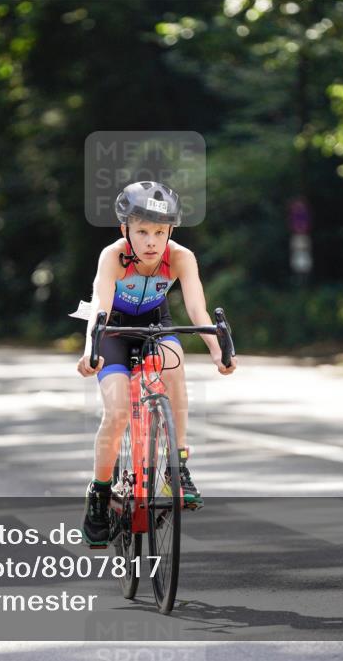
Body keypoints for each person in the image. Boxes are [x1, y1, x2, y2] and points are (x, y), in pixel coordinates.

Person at [76, 181, 237, 547]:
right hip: (114, 330)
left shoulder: (181, 257)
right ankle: (100, 494)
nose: (152, 241)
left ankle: (177, 465)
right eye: (142, 231)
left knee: (175, 361)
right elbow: (99, 307)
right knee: (117, 413)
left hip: (155, 324)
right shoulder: (112, 257)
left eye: (160, 232)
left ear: (171, 232)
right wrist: (91, 349)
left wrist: (216, 352)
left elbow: (197, 309)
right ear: (125, 231)